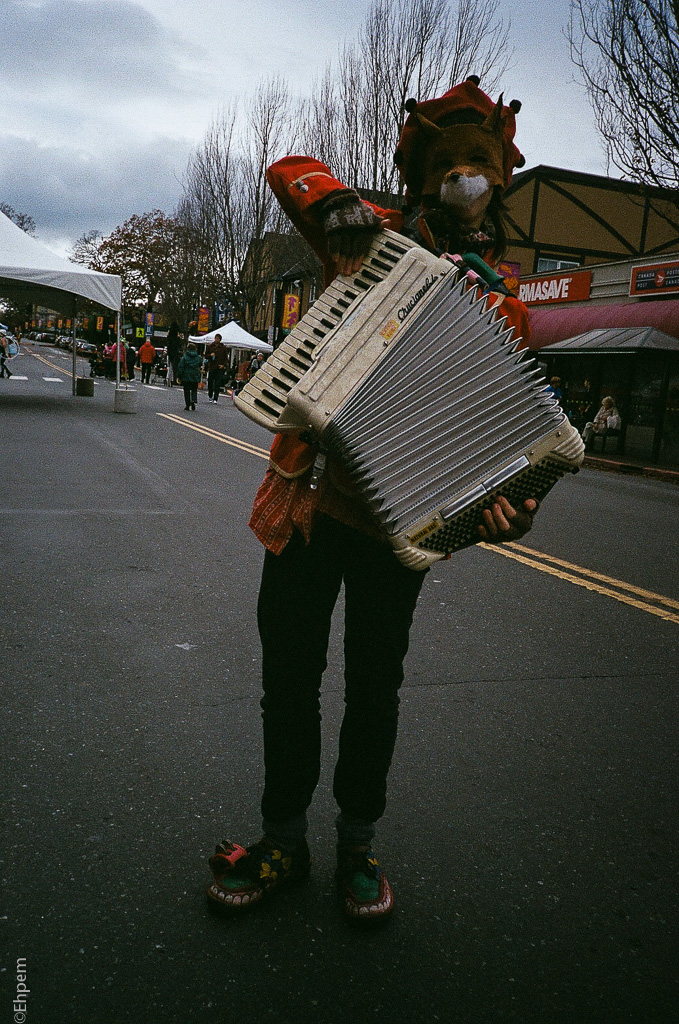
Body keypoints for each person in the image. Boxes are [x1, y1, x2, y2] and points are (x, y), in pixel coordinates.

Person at [207, 76, 540, 924]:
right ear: (423, 170)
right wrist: (340, 205)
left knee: (374, 691)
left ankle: (358, 841)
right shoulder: (367, 240)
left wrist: (510, 510)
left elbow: (499, 448)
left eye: (480, 163)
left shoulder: (500, 305)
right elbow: (288, 167)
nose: (465, 177)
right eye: (450, 162)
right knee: (287, 682)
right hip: (310, 507)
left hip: (399, 525)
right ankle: (282, 834)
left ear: (500, 176)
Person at [206, 334, 230, 402]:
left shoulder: (223, 348)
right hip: (212, 366)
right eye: (216, 338)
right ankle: (210, 395)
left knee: (217, 383)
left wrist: (223, 365)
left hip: (219, 367)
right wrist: (210, 355)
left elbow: (226, 358)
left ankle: (215, 398)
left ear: (220, 340)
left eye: (218, 338)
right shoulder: (210, 346)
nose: (217, 340)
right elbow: (206, 355)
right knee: (210, 382)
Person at [177, 343, 202, 410]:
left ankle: (187, 404)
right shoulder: (198, 357)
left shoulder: (184, 357)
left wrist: (179, 376)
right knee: (194, 389)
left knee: (186, 390)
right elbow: (200, 364)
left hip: (186, 375)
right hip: (195, 375)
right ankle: (193, 400)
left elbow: (181, 367)